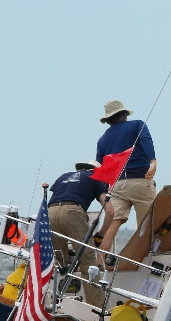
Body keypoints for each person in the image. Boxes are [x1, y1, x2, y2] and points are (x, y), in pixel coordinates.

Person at [95, 99, 157, 255]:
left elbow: (100, 168)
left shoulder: (102, 140)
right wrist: (153, 162)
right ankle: (143, 260)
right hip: (140, 181)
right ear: (123, 114)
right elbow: (146, 140)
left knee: (114, 222)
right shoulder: (137, 125)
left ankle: (100, 261)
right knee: (147, 225)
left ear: (108, 120)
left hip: (117, 185)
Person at [49, 160, 114, 306]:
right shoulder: (95, 178)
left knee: (60, 261)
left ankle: (56, 304)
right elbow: (110, 211)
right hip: (73, 213)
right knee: (88, 261)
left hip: (50, 213)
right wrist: (101, 234)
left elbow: (58, 196)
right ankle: (96, 310)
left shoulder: (64, 176)